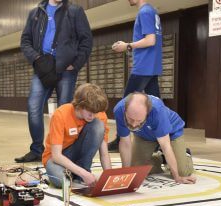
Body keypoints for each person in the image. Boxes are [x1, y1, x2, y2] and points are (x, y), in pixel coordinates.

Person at [16, 0, 93, 163]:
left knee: (64, 110)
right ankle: (37, 149)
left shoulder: (75, 11)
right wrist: (36, 59)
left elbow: (86, 40)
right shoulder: (36, 12)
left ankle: (62, 149)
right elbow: (25, 41)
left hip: (66, 69)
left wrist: (76, 64)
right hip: (42, 68)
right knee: (33, 106)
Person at [108, 0, 163, 152]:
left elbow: (150, 40)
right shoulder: (152, 11)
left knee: (124, 105)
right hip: (152, 66)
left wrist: (127, 46)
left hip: (143, 66)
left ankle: (120, 141)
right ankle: (161, 140)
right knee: (156, 106)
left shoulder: (145, 12)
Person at [114, 92, 196, 184]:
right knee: (134, 171)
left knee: (182, 172)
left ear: (147, 113)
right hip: (144, 135)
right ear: (125, 110)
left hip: (171, 133)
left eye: (139, 120)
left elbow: (165, 146)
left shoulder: (157, 110)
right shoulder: (119, 110)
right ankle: (160, 158)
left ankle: (185, 156)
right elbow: (125, 143)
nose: (133, 124)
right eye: (130, 119)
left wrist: (177, 177)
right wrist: (125, 173)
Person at [43, 83, 111, 188]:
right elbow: (56, 156)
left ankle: (79, 172)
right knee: (62, 182)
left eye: (95, 112)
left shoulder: (99, 115)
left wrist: (110, 177)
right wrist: (84, 173)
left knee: (98, 125)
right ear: (79, 105)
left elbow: (104, 153)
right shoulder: (61, 114)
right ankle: (79, 173)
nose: (92, 115)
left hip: (78, 157)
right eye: (89, 111)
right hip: (57, 157)